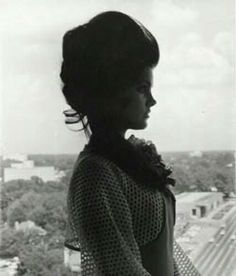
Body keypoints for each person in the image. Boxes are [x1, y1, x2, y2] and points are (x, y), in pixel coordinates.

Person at [60, 11, 200, 276]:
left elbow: (168, 257)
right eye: (142, 88)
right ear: (108, 89)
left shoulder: (125, 161)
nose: (152, 100)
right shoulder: (96, 174)